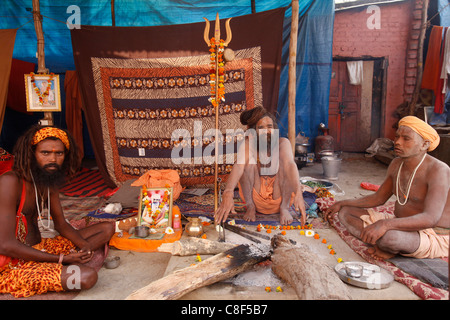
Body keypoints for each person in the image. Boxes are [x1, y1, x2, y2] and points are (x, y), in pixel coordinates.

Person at [0, 125, 115, 298]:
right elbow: (5, 245)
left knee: (106, 228)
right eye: (45, 153)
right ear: (31, 154)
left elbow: (61, 224)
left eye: (59, 154)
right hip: (13, 264)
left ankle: (72, 260)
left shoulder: (47, 180)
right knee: (87, 277)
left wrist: (84, 247)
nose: (52, 159)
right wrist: (61, 259)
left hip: (41, 248)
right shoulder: (10, 181)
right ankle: (61, 266)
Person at [324, 116, 449, 260]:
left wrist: (385, 224)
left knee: (390, 238)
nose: (397, 142)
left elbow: (430, 218)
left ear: (424, 144)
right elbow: (378, 198)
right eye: (397, 137)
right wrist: (342, 203)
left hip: (432, 233)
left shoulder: (439, 170)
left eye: (406, 139)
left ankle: (386, 245)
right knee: (346, 213)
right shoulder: (396, 164)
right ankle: (383, 245)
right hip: (401, 224)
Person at [214, 107, 306, 226]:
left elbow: (290, 165)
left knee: (285, 163)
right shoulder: (249, 143)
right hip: (256, 199)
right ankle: (250, 207)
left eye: (269, 127)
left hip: (280, 197)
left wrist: (298, 192)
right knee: (245, 162)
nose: (267, 131)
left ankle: (284, 209)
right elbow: (238, 166)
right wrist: (228, 192)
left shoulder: (283, 143)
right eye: (261, 128)